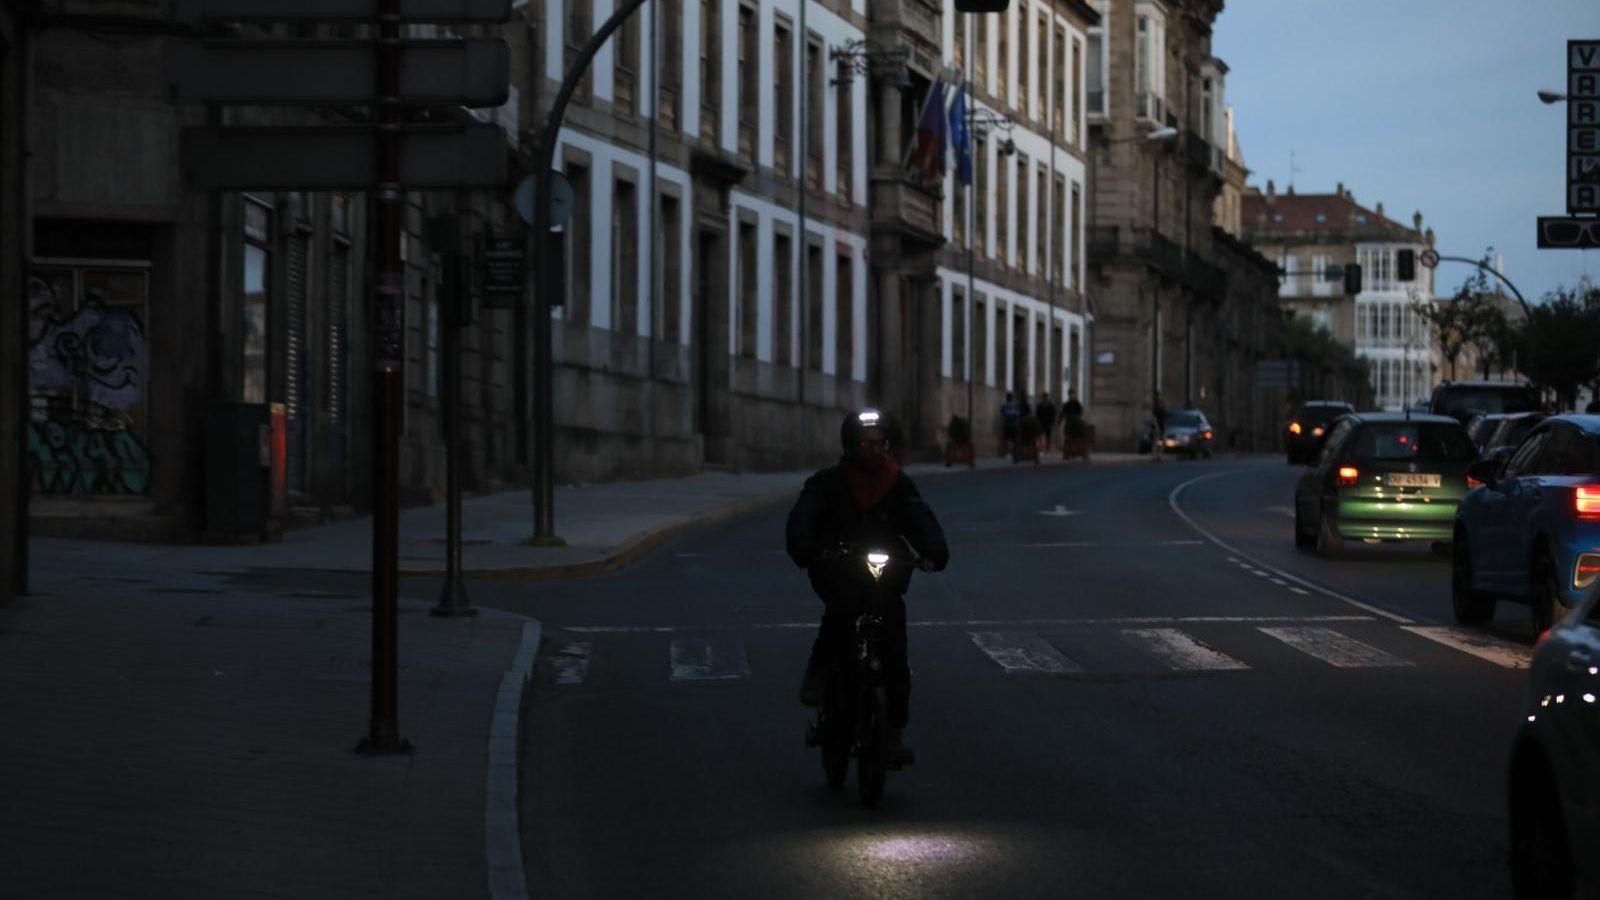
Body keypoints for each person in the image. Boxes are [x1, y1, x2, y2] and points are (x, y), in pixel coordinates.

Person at [786, 409, 950, 768]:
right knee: (843, 608)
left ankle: (893, 732)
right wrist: (807, 546)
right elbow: (804, 516)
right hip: (838, 568)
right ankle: (820, 668)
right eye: (864, 443)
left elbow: (919, 517)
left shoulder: (897, 483)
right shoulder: (828, 482)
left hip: (884, 573)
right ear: (849, 446)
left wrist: (934, 551)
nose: (872, 451)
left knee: (895, 644)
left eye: (879, 444)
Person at [1000, 391, 1023, 456]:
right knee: (1012, 439)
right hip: (1012, 424)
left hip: (1009, 424)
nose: (1009, 399)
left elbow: (1002, 415)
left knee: (1008, 439)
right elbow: (1017, 415)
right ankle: (1011, 452)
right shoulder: (1014, 406)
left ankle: (1009, 452)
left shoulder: (1005, 406)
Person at [1150, 392, 1168, 462]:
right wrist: (1156, 426)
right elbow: (1154, 418)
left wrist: (1165, 426)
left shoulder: (1164, 410)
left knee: (1163, 443)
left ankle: (1159, 455)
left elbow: (1165, 419)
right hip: (1157, 427)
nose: (1162, 403)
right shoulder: (1156, 409)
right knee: (1156, 442)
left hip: (1162, 427)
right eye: (1161, 402)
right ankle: (1154, 456)